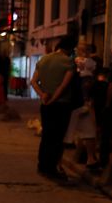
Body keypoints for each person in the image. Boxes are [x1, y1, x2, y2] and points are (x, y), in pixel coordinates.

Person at [30, 35, 77, 180]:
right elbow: (64, 85)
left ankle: (42, 165)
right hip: (61, 105)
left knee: (46, 135)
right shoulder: (69, 62)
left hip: (45, 105)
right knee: (57, 137)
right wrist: (54, 99)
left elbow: (33, 81)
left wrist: (43, 95)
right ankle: (51, 168)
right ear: (69, 49)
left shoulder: (44, 59)